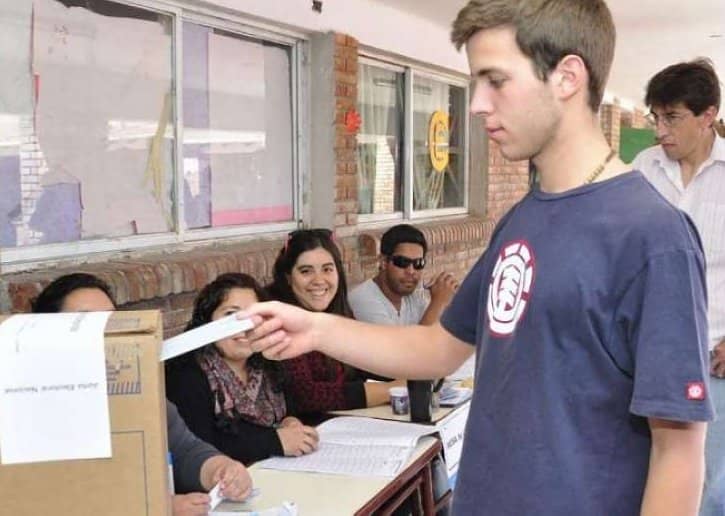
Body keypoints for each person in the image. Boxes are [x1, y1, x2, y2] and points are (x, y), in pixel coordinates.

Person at [242, 1, 714, 515]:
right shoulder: (521, 220)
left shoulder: (653, 236)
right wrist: (314, 329)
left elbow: (679, 449)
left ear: (567, 77)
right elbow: (439, 346)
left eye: (496, 80)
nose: (477, 105)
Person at [32, 273, 253, 516]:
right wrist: (159, 506)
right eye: (84, 323)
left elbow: (183, 449)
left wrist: (220, 469)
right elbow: (52, 494)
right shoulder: (30, 404)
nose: (104, 333)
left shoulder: (135, 390)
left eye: (111, 322)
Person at [632, 58, 725, 516]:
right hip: (647, 355)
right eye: (655, 116)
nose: (659, 130)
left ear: (708, 115)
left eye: (672, 117)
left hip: (716, 358)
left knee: (711, 488)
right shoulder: (643, 170)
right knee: (650, 477)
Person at [165, 273, 319, 465]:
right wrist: (274, 440)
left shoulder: (268, 362)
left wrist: (290, 422)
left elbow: (291, 408)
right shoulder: (186, 374)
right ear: (207, 321)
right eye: (231, 315)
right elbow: (199, 445)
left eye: (254, 317)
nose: (245, 326)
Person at [267, 228, 402, 417]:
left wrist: (411, 372)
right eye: (306, 271)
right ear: (288, 278)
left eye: (327, 269)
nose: (319, 280)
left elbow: (363, 360)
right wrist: (392, 389)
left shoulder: (338, 312)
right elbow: (307, 396)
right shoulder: (278, 322)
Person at [349, 224, 458, 325]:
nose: (411, 271)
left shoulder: (411, 296)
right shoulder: (365, 300)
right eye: (402, 262)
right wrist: (438, 302)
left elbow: (444, 333)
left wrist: (449, 300)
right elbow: (410, 346)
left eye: (418, 263)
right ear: (383, 262)